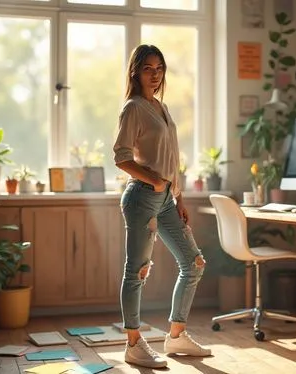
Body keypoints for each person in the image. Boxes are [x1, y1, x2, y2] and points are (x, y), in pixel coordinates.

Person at [113, 44, 212, 369]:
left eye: (159, 68)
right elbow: (122, 156)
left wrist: (178, 197)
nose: (155, 75)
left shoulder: (162, 107)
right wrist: (154, 182)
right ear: (135, 72)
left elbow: (173, 158)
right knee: (137, 272)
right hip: (142, 197)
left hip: (168, 199)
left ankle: (176, 336)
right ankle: (133, 343)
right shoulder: (134, 108)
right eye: (147, 69)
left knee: (194, 263)